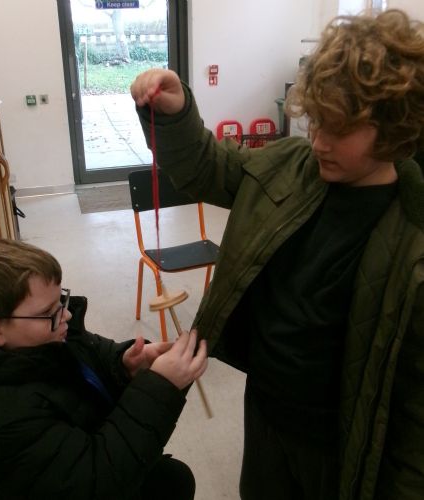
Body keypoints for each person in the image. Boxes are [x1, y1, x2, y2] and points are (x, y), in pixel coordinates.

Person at [130, 8, 424, 500]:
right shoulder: (290, 164)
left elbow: (415, 415)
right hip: (266, 411)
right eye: (317, 121)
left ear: (395, 128)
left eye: (340, 129)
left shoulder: (413, 244)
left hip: (339, 445)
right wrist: (176, 115)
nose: (319, 141)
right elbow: (207, 166)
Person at [0, 238, 207, 500]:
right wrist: (159, 388)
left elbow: (90, 354)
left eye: (61, 300)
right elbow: (96, 482)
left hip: (84, 450)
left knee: (173, 479)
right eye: (49, 312)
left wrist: (124, 364)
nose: (67, 314)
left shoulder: (47, 338)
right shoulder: (3, 421)